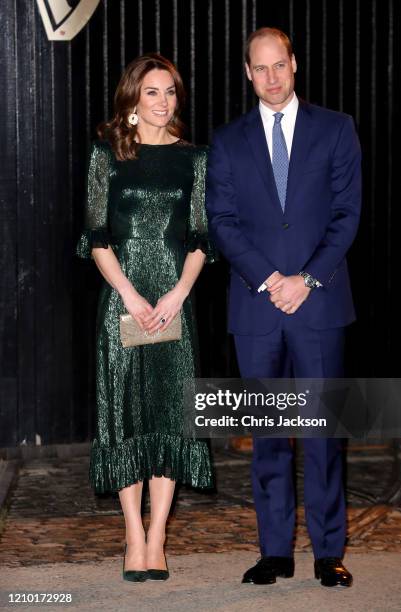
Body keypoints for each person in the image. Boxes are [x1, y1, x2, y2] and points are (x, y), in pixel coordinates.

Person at [206, 27, 361, 587]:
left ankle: (328, 553)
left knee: (322, 435)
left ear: (294, 64)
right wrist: (273, 279)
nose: (272, 77)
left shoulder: (336, 129)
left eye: (280, 65)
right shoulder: (226, 141)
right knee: (269, 435)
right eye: (260, 68)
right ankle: (274, 551)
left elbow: (347, 214)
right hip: (257, 308)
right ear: (248, 73)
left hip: (319, 306)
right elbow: (221, 222)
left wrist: (307, 281)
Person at [76, 53, 215, 582]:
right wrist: (131, 296)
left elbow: (201, 237)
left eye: (171, 92)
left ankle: (158, 538)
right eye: (152, 92)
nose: (163, 102)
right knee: (127, 417)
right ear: (132, 99)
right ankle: (132, 533)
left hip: (174, 307)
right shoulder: (104, 155)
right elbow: (96, 237)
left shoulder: (195, 159)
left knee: (169, 417)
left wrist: (179, 292)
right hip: (123, 303)